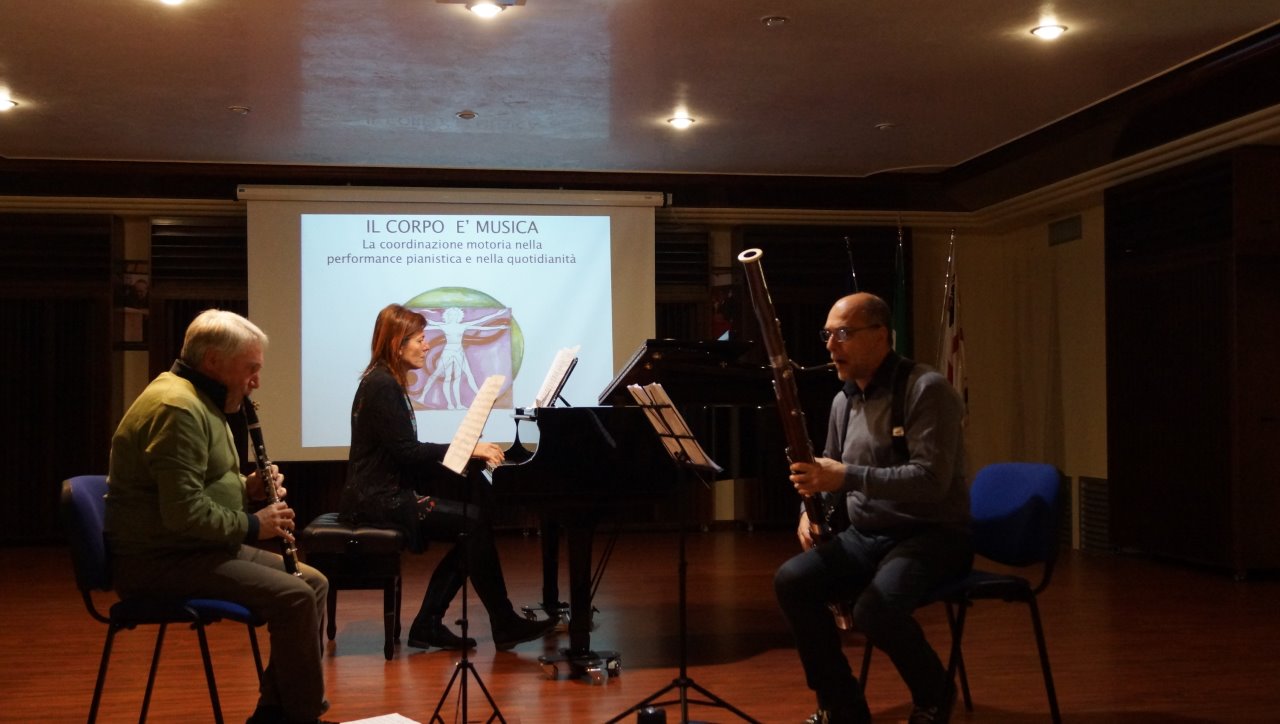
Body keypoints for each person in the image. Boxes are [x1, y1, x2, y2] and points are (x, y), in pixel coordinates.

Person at [104, 309, 331, 724]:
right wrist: (255, 524)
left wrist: (248, 489)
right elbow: (183, 512)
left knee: (313, 583)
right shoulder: (177, 408)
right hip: (159, 561)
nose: (256, 381)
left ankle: (275, 713)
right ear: (213, 361)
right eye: (251, 368)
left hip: (194, 548)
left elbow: (203, 483)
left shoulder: (199, 399)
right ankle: (302, 717)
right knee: (295, 596)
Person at [774, 293, 972, 724]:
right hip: (868, 534)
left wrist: (847, 476)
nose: (831, 346)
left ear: (881, 335)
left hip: (931, 534)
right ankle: (841, 705)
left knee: (874, 610)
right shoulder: (843, 401)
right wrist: (808, 511)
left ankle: (935, 695)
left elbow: (931, 482)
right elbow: (827, 471)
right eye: (828, 335)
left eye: (844, 334)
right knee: (793, 581)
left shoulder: (925, 389)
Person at [338, 303, 556, 651]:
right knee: (472, 525)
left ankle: (439, 623)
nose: (427, 346)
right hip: (377, 500)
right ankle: (493, 622)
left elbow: (403, 453)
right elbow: (408, 452)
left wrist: (461, 457)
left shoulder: (384, 380)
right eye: (420, 340)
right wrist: (466, 449)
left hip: (381, 492)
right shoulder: (382, 385)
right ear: (397, 344)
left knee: (472, 523)